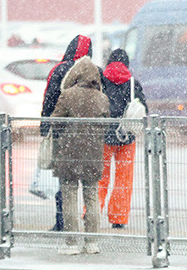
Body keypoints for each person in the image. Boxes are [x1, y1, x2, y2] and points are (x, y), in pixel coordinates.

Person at [49, 56, 109, 255]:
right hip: (93, 153)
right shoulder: (102, 98)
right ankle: (92, 242)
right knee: (92, 197)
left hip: (69, 152)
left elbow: (55, 121)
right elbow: (106, 124)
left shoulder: (67, 95)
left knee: (70, 197)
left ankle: (71, 243)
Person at [42, 35, 93, 232]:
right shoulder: (93, 70)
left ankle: (63, 223)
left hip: (63, 132)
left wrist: (46, 125)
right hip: (88, 134)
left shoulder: (59, 69)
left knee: (65, 182)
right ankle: (90, 228)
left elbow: (49, 98)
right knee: (90, 186)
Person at [98, 48, 147, 229]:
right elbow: (143, 110)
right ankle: (118, 217)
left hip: (104, 135)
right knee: (123, 179)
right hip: (127, 136)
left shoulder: (102, 80)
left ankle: (93, 212)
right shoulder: (133, 83)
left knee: (100, 177)